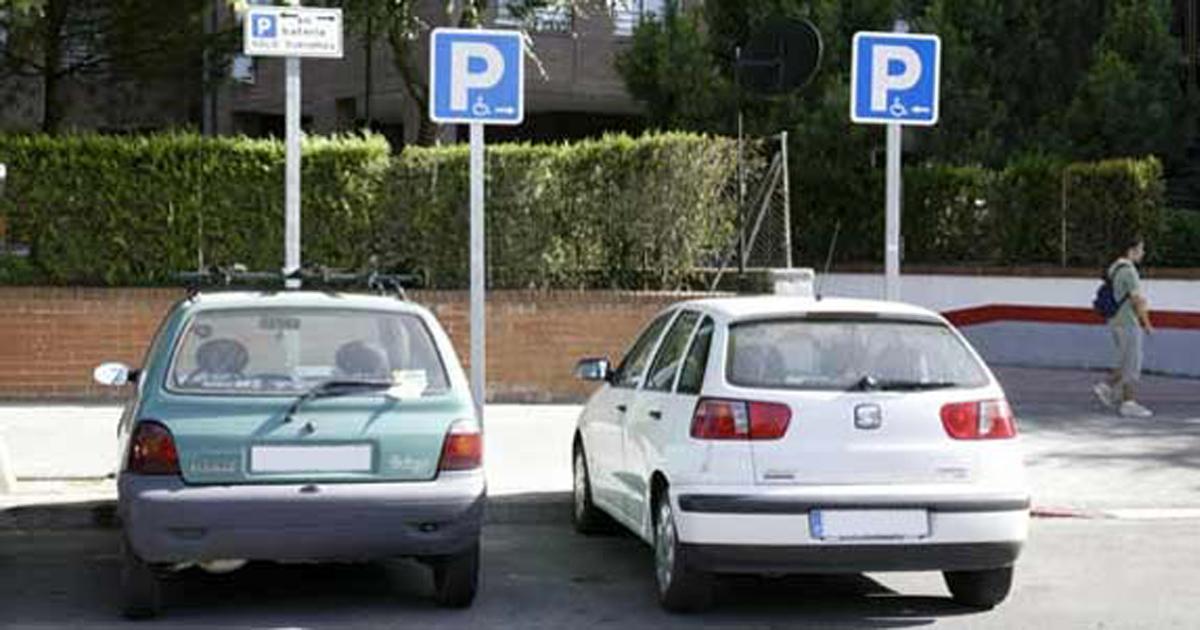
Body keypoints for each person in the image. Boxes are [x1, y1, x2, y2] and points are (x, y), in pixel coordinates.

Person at [1093, 237, 1154, 418]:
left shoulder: (1114, 268)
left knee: (1125, 360)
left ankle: (1107, 388)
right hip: (1128, 322)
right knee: (1132, 363)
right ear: (1131, 250)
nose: (1143, 253)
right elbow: (1137, 300)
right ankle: (1128, 403)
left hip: (1115, 321)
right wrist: (1147, 323)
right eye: (1141, 249)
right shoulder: (1129, 271)